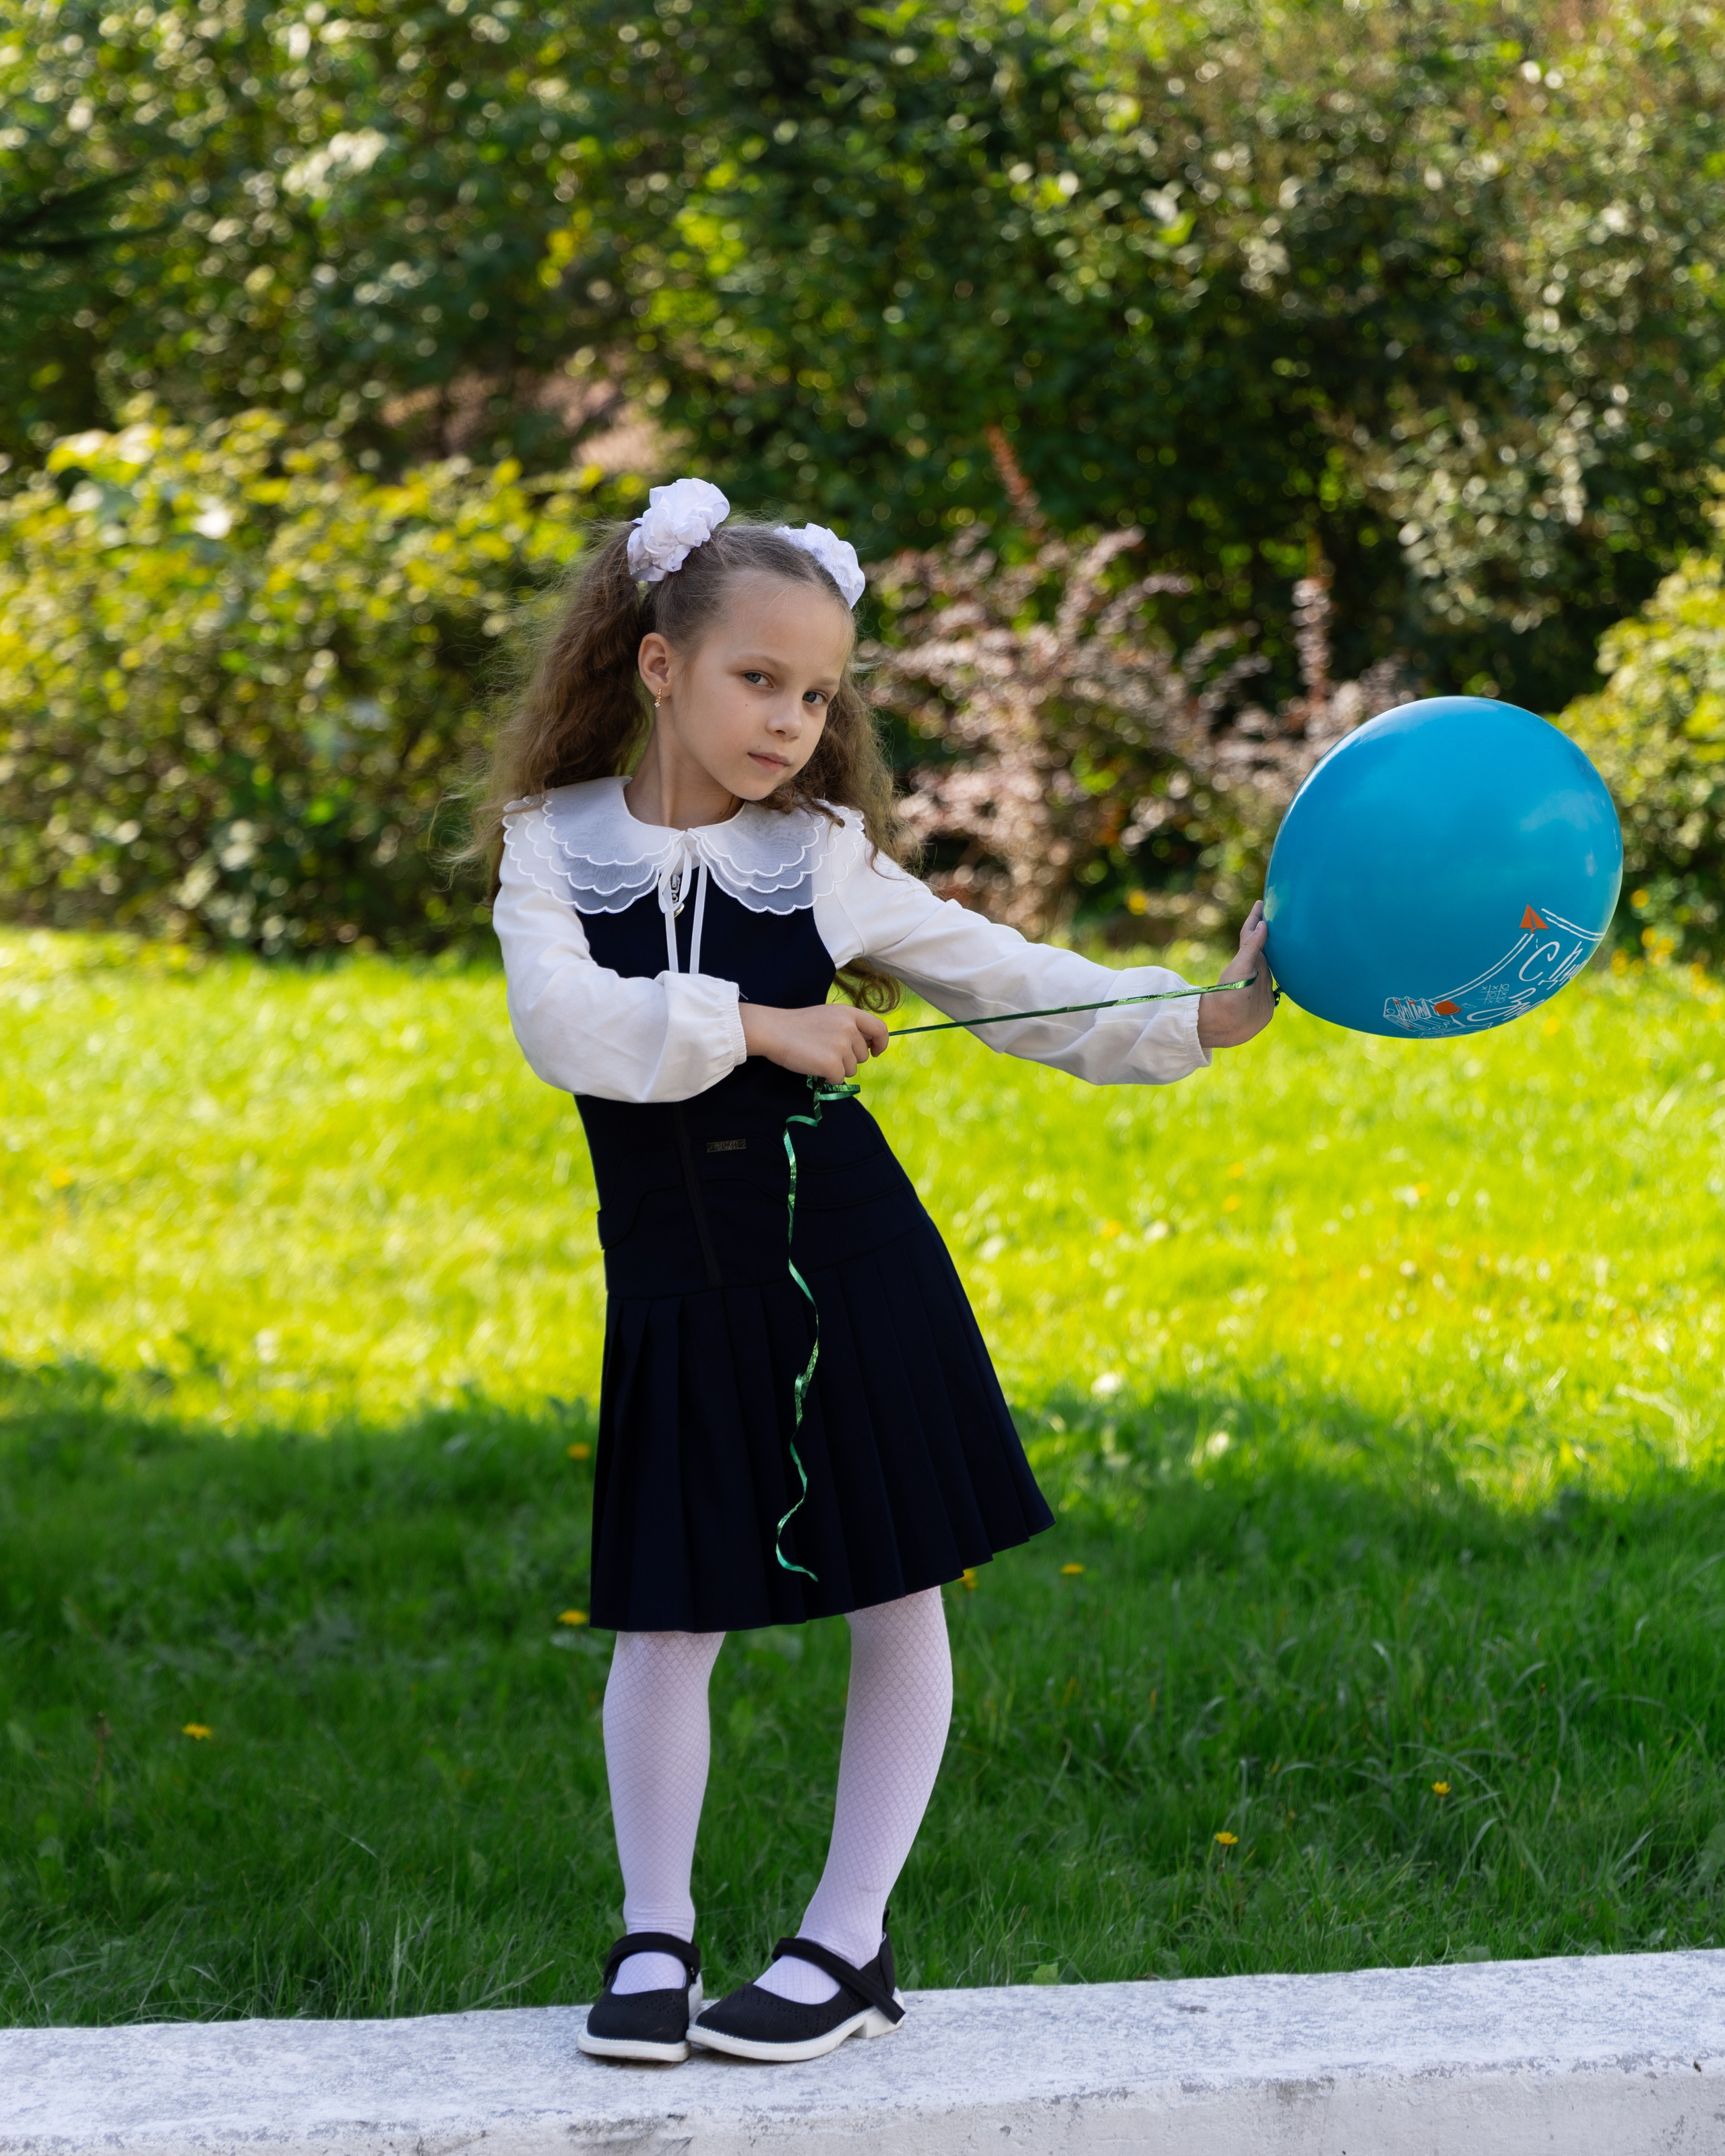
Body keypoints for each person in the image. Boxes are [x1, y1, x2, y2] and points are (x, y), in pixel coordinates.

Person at [474, 477, 1275, 2067]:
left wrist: (1197, 1013)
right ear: (657, 666)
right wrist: (761, 1025)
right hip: (680, 1280)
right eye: (755, 679)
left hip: (851, 1261)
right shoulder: (550, 848)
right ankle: (653, 1935)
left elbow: (1010, 982)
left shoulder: (820, 858)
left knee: (893, 1583)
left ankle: (846, 1938)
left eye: (817, 690)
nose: (790, 718)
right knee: (665, 1615)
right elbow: (564, 1028)